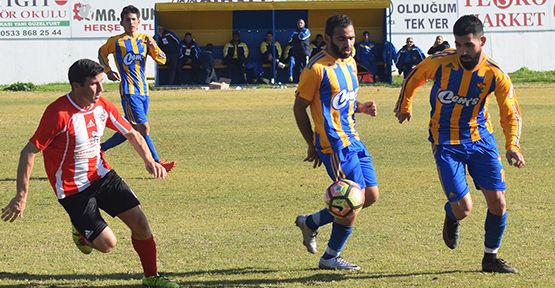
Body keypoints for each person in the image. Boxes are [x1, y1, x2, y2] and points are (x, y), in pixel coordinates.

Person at [1, 59, 180, 288]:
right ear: (77, 86)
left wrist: (148, 160)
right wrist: (21, 196)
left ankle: (151, 277)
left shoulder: (102, 106)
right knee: (108, 245)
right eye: (94, 84)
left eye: (101, 82)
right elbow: (28, 152)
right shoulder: (58, 113)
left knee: (140, 223)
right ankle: (80, 229)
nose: (101, 89)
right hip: (72, 189)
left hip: (102, 176)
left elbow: (132, 133)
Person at [394, 15, 524, 273]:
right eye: (458, 44)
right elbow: (414, 76)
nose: (462, 51)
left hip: (480, 140)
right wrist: (404, 106)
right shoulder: (441, 62)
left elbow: (510, 112)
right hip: (445, 141)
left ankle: (491, 258)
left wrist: (513, 145)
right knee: (464, 209)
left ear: (482, 41)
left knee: (498, 202)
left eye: (469, 45)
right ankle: (452, 215)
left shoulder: (494, 74)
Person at [293, 14, 380, 270]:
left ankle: (310, 223)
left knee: (370, 196)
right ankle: (331, 256)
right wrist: (312, 143)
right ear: (328, 37)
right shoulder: (316, 68)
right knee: (351, 199)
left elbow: (344, 102)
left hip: (354, 139)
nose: (348, 43)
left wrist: (361, 107)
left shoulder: (350, 62)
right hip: (335, 145)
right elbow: (299, 108)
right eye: (342, 38)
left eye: (351, 37)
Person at [98, 5, 176, 172]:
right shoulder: (116, 41)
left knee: (131, 128)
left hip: (143, 91)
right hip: (129, 91)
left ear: (139, 22)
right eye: (128, 19)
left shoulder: (145, 39)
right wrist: (108, 70)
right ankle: (155, 162)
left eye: (134, 19)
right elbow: (101, 53)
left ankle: (100, 149)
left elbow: (162, 59)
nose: (131, 22)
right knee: (143, 128)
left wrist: (153, 46)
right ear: (122, 22)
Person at [289, 19, 311, 83]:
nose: (300, 24)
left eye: (301, 23)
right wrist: (295, 36)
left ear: (304, 24)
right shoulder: (295, 31)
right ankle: (299, 82)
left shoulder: (306, 30)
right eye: (298, 23)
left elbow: (302, 37)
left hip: (305, 52)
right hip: (297, 52)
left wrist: (295, 36)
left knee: (306, 67)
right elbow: (290, 41)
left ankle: (307, 82)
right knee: (298, 68)